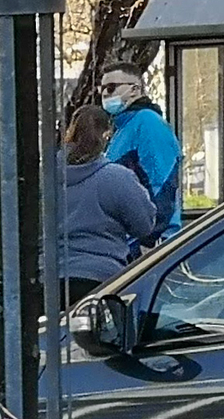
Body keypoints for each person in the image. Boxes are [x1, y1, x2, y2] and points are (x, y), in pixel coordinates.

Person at [60, 100, 161, 302]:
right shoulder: (116, 177)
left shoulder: (43, 178)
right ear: (107, 135)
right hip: (102, 281)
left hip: (51, 281)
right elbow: (144, 225)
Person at [97, 61, 184, 235]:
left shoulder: (147, 123)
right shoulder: (121, 128)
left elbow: (161, 183)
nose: (106, 93)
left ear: (135, 89)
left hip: (146, 243)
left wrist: (149, 239)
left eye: (112, 87)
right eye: (103, 88)